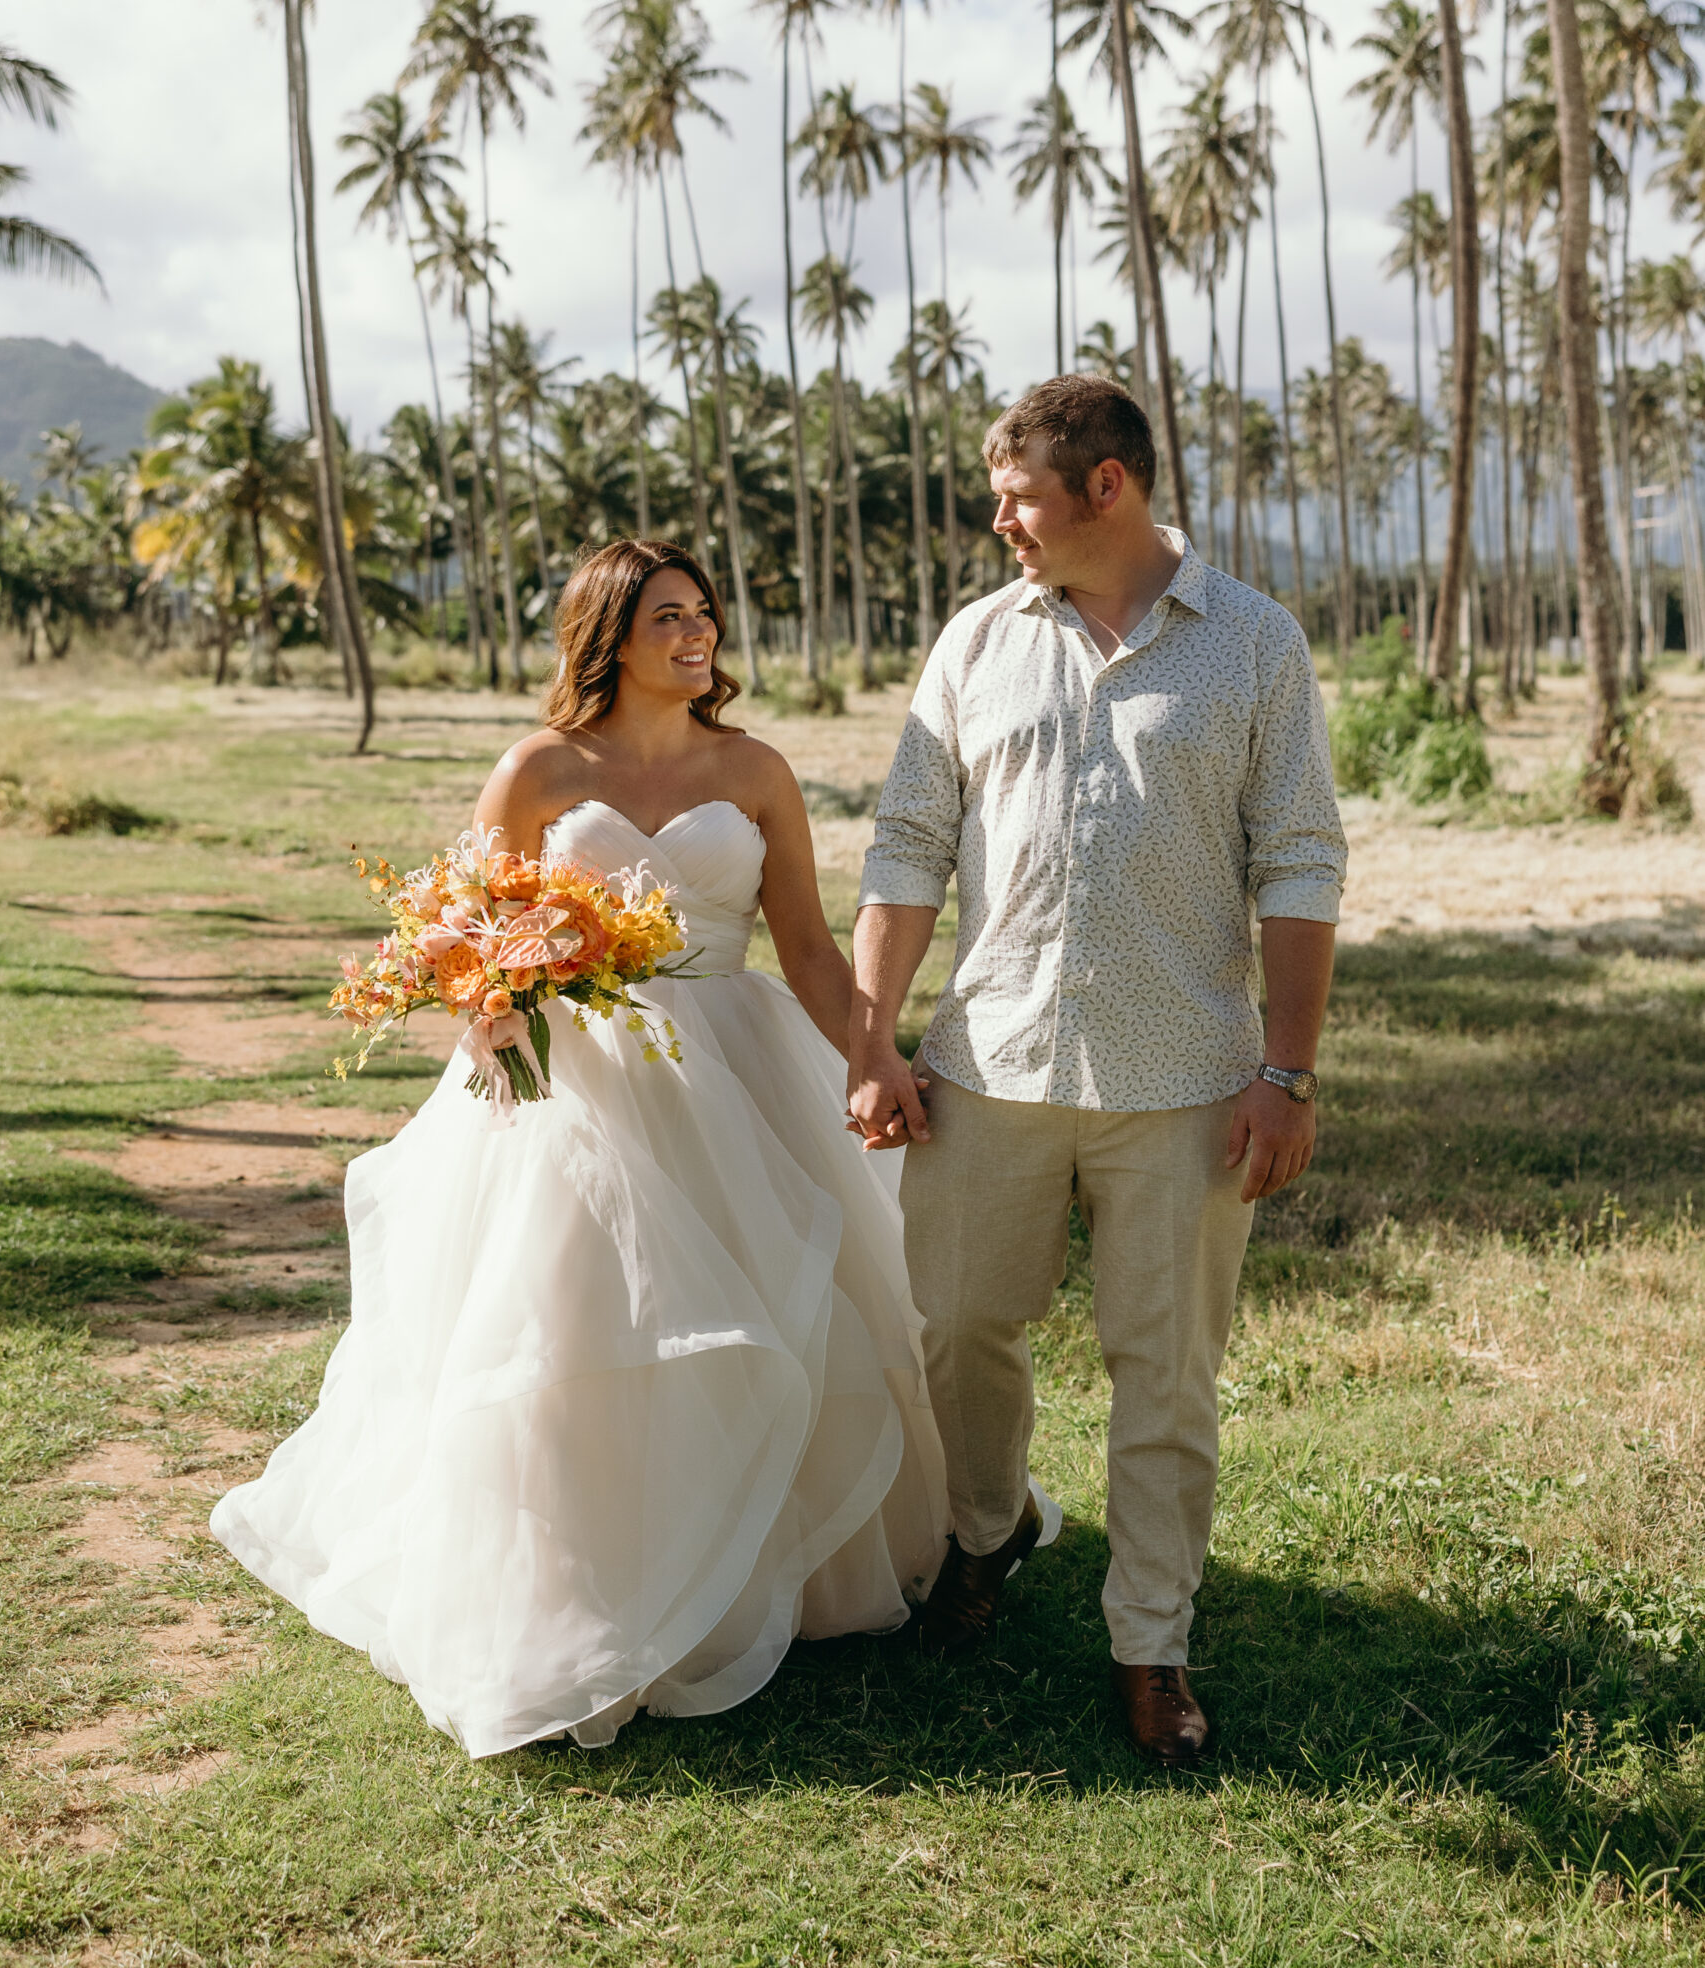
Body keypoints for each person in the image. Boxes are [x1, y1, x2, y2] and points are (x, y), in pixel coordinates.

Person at [212, 539, 948, 1758]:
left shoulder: (756, 769)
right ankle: (580, 1597)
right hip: (572, 1078)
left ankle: (769, 1575)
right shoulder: (542, 767)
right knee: (568, 1328)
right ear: (607, 634)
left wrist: (874, 1053)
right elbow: (463, 928)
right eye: (668, 616)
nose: (697, 633)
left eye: (705, 613)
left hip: (738, 1063)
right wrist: (489, 999)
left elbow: (809, 949)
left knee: (779, 1310)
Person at [847, 374, 1346, 1767]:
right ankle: (985, 1534)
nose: (998, 521)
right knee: (956, 1332)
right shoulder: (972, 644)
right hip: (986, 1064)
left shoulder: (1251, 644)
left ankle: (1150, 1648)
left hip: (1185, 1080)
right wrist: (871, 1037)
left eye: (1016, 498)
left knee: (1164, 1375)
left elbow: (1298, 858)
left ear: (1104, 488)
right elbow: (905, 846)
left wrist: (1286, 1071)